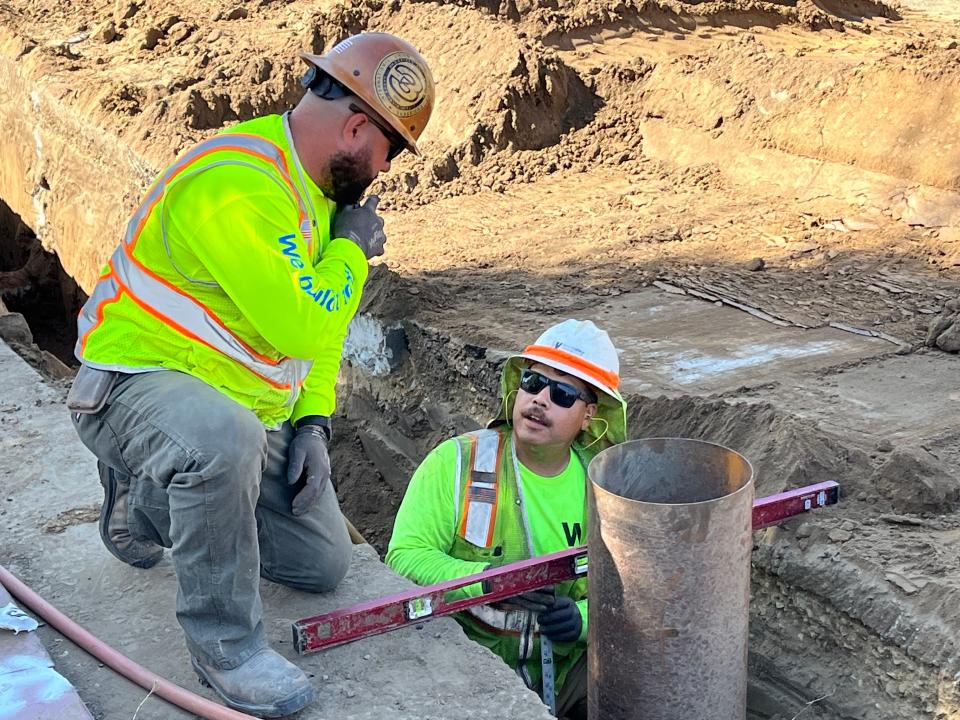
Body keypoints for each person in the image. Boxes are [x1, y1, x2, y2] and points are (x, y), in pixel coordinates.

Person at [65, 33, 435, 718]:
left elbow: (317, 339)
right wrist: (352, 253)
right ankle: (227, 648)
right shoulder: (237, 183)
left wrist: (315, 424)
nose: (384, 170)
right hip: (132, 390)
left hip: (235, 410)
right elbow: (300, 323)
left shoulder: (320, 200)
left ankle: (145, 501)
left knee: (322, 563)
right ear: (357, 126)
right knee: (220, 441)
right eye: (389, 151)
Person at [386, 319, 627, 719]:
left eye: (563, 393)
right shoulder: (457, 463)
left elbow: (630, 590)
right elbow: (404, 557)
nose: (540, 400)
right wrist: (489, 582)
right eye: (533, 382)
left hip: (567, 670)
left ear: (589, 414)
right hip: (463, 669)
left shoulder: (604, 488)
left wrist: (583, 620)